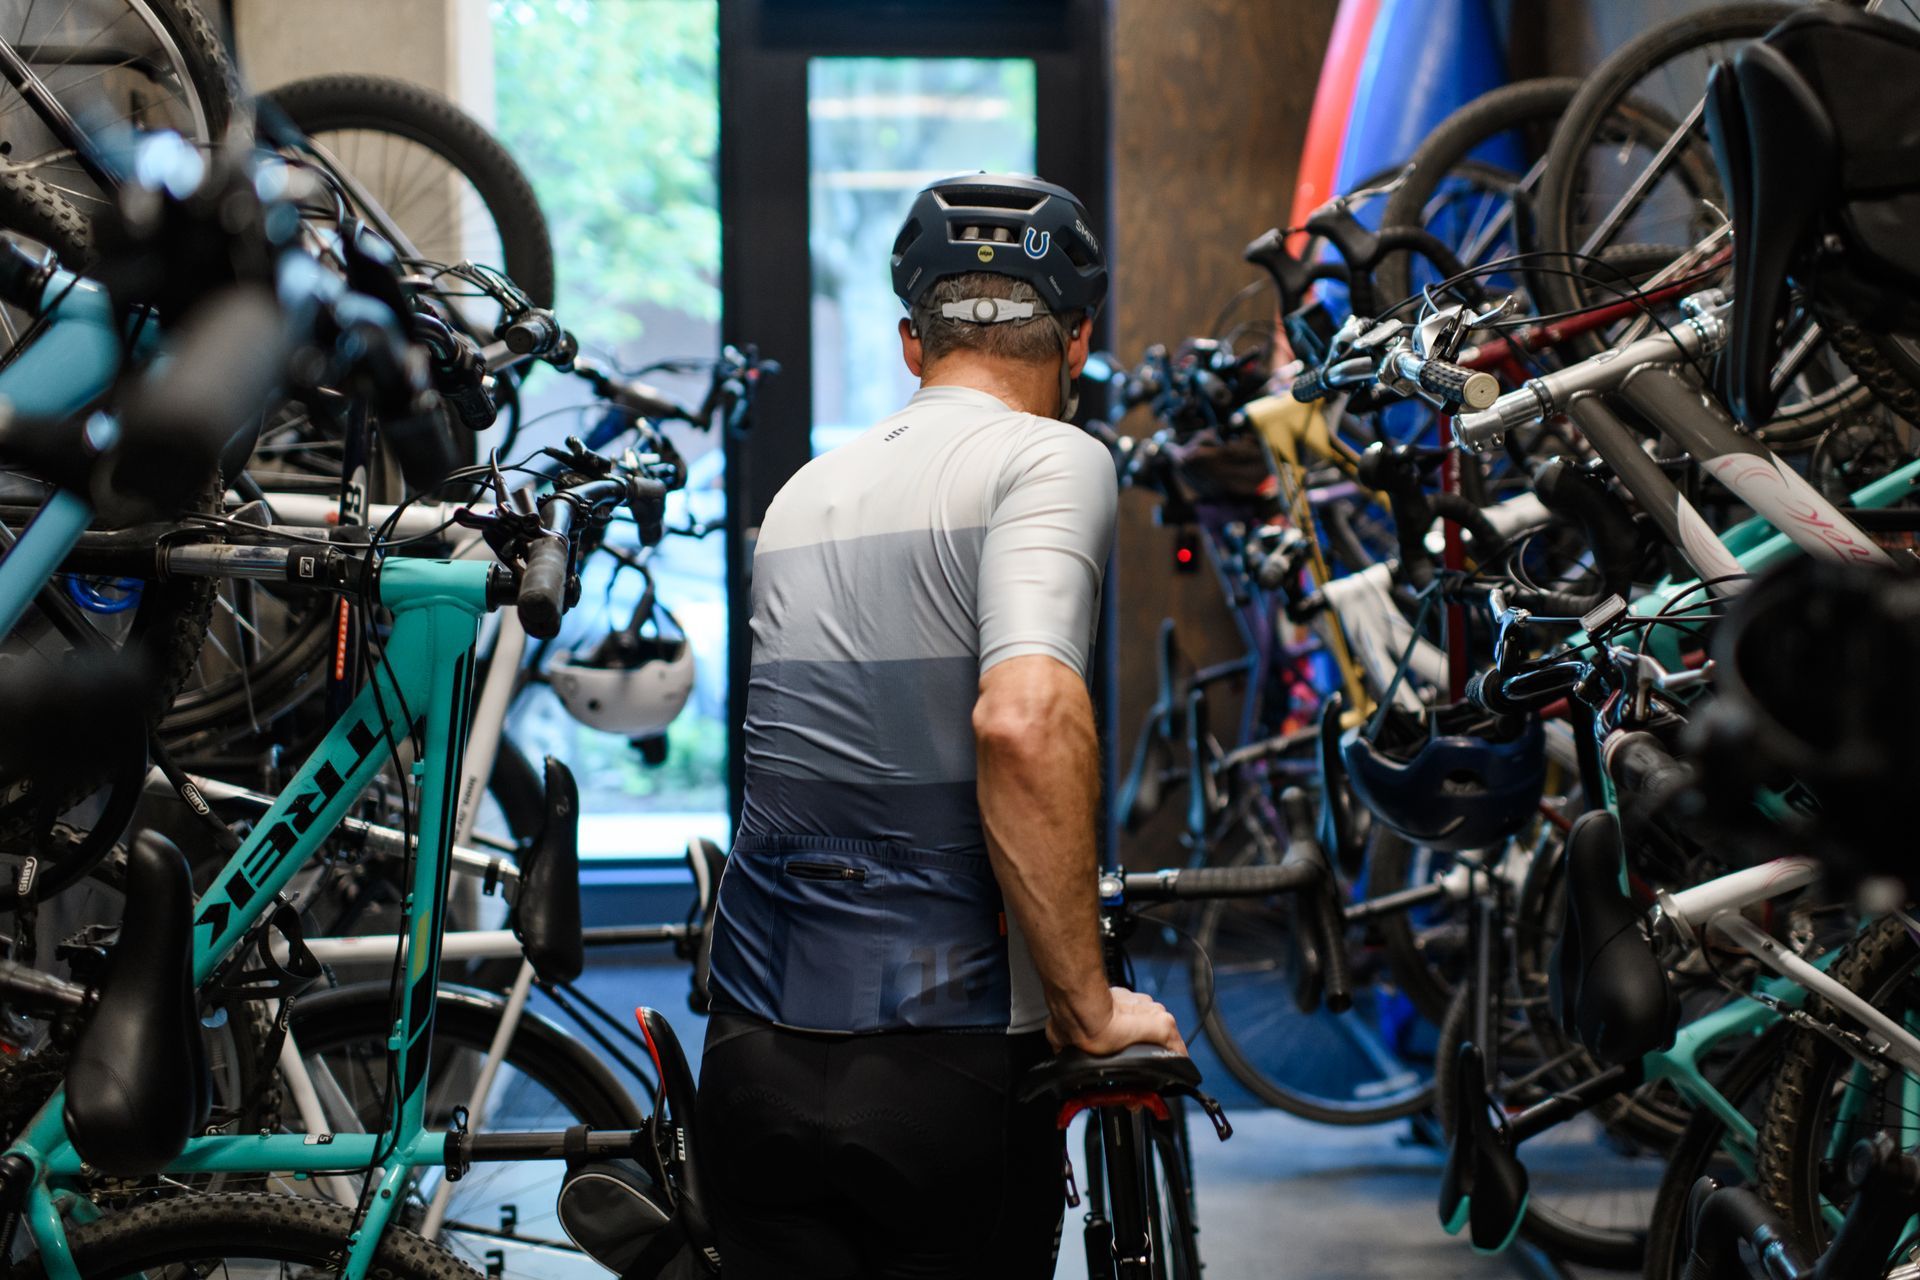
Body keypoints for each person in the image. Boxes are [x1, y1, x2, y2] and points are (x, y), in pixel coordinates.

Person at [696, 172, 1185, 1278]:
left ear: (912, 342)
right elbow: (1023, 719)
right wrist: (1087, 1006)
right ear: (1079, 340)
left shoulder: (801, 495)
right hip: (943, 1064)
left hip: (750, 1051)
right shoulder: (1049, 458)